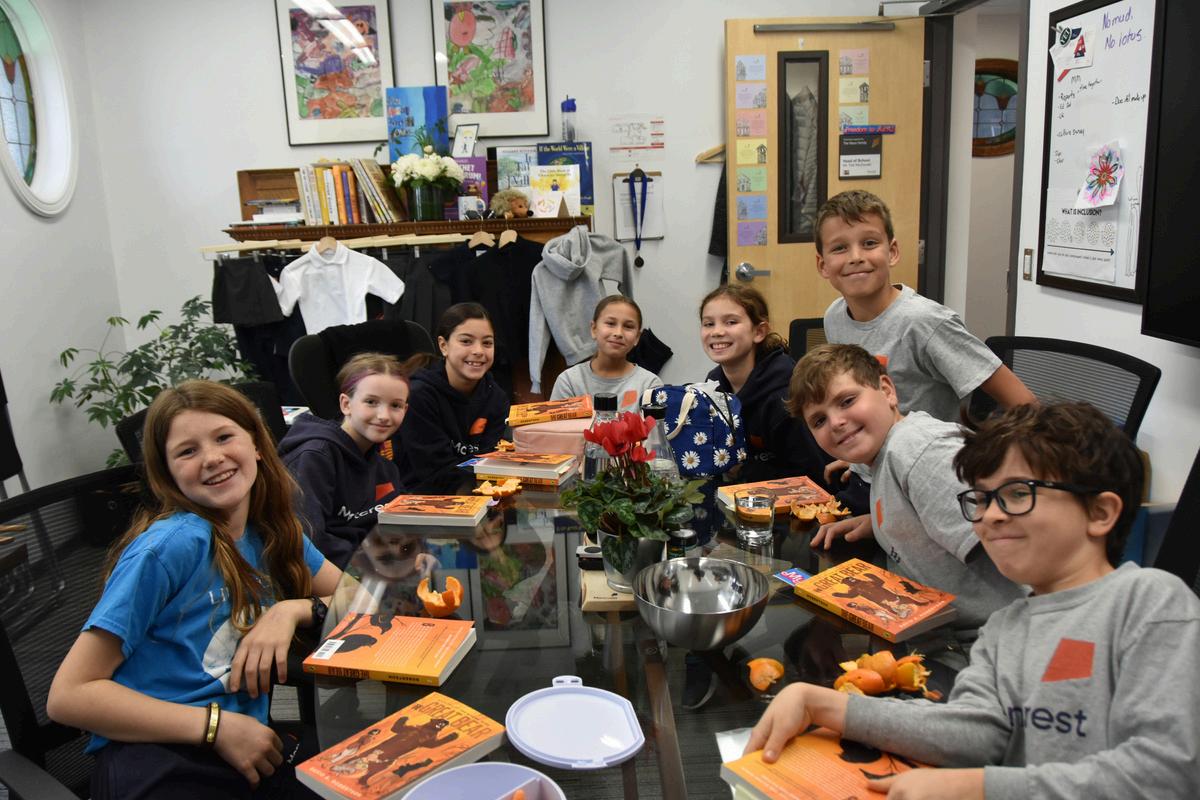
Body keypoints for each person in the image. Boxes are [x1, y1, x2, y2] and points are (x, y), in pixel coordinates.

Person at [745, 401, 1200, 799]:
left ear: (1100, 513)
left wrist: (979, 788)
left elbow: (1167, 775)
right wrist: (823, 704)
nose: (990, 516)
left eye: (1017, 494)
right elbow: (975, 731)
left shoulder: (1150, 604)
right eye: (981, 499)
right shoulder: (1006, 626)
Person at [47, 380, 342, 798]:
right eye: (187, 451)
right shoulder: (171, 546)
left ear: (257, 444)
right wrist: (216, 727)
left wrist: (291, 610)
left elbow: (363, 599)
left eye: (224, 437)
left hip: (246, 738)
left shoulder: (271, 531)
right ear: (167, 474)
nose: (212, 458)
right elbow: (68, 696)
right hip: (162, 753)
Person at [789, 344, 1023, 648]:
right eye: (819, 420)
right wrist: (882, 522)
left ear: (887, 391)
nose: (835, 422)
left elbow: (1021, 554)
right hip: (941, 626)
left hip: (990, 641)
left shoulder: (917, 451)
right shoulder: (886, 454)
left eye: (847, 401)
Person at [815, 189, 1035, 423]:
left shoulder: (926, 322)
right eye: (839, 248)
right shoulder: (834, 317)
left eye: (869, 243)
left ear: (892, 252)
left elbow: (1025, 404)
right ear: (822, 265)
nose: (855, 257)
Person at [279, 352, 409, 569]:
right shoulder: (314, 458)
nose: (384, 415)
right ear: (346, 404)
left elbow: (402, 522)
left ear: (405, 409)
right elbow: (306, 542)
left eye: (395, 405)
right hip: (329, 575)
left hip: (373, 568)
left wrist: (414, 553)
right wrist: (374, 565)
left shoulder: (383, 465)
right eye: (371, 402)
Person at [700, 284, 834, 486]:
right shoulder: (713, 386)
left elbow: (812, 474)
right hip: (743, 492)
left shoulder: (785, 395)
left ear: (759, 332)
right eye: (708, 324)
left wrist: (743, 469)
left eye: (731, 322)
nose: (717, 332)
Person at [394, 303, 509, 494]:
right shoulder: (419, 396)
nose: (479, 351)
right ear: (443, 346)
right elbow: (435, 473)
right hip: (420, 498)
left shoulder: (496, 397)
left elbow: (491, 461)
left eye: (487, 343)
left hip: (477, 493)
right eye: (466, 341)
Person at [550, 295, 662, 413]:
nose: (618, 333)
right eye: (610, 323)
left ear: (637, 337)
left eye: (628, 326)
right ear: (594, 329)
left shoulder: (650, 385)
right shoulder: (569, 381)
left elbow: (656, 424)